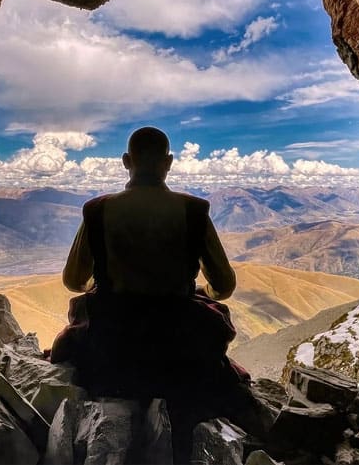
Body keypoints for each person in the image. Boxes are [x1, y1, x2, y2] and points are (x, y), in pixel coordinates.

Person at [49, 127, 259, 463]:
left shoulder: (98, 210)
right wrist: (201, 292)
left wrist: (104, 286)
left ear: (125, 162)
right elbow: (225, 286)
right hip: (177, 339)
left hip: (113, 341)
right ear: (169, 163)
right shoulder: (194, 210)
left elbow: (74, 281)